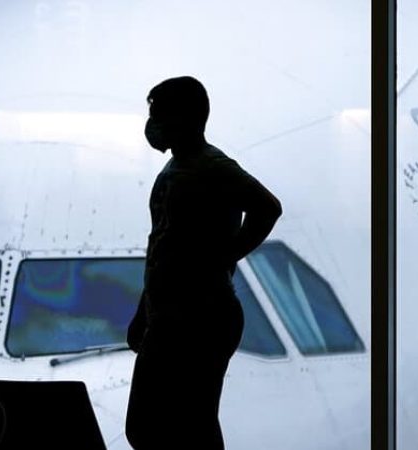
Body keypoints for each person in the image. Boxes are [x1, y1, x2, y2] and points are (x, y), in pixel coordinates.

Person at [124, 76, 282, 449]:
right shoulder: (176, 168)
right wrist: (145, 310)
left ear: (188, 117)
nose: (153, 124)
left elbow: (268, 207)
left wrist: (223, 258)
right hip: (171, 315)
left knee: (185, 424)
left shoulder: (213, 167)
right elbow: (162, 247)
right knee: (161, 425)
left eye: (160, 114)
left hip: (200, 317)